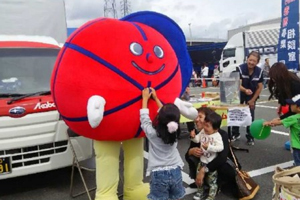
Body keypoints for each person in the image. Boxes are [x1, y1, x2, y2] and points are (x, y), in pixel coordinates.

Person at [140, 87, 185, 200]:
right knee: (175, 197)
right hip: (176, 170)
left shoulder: (152, 133)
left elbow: (145, 119)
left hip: (158, 173)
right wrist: (156, 98)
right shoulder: (175, 131)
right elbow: (167, 116)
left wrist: (145, 99)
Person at [185, 107, 241, 198]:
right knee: (191, 157)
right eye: (196, 117)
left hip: (224, 164)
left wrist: (204, 170)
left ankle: (219, 183)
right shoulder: (199, 133)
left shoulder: (221, 134)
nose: (196, 119)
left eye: (200, 117)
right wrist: (191, 151)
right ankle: (200, 182)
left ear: (209, 120)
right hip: (205, 160)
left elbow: (222, 158)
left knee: (221, 165)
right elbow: (187, 153)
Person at [229, 51, 263, 145]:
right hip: (239, 94)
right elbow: (237, 84)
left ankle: (250, 136)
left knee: (250, 116)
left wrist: (252, 100)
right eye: (250, 60)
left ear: (257, 62)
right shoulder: (240, 68)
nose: (251, 62)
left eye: (254, 61)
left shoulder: (259, 72)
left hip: (252, 95)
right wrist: (245, 90)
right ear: (247, 59)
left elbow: (260, 87)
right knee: (236, 114)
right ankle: (235, 133)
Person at [190, 112, 223, 200]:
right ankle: (200, 192)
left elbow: (220, 148)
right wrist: (193, 137)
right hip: (202, 161)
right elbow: (197, 140)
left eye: (207, 126)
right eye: (204, 125)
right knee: (199, 179)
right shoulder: (203, 132)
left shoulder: (217, 136)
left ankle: (211, 195)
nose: (205, 128)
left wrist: (209, 147)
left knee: (211, 181)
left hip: (211, 163)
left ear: (216, 129)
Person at [263, 94, 300, 166]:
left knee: (298, 164)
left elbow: (279, 122)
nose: (290, 106)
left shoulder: (294, 118)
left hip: (297, 146)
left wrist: (269, 123)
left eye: (292, 104)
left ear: (299, 108)